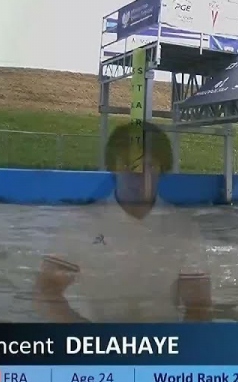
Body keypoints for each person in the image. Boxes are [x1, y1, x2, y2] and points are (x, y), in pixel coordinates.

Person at [34, 121, 213, 322]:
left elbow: (198, 307)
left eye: (149, 166)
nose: (139, 176)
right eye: (129, 165)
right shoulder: (81, 224)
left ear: (162, 171)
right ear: (113, 168)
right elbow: (45, 293)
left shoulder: (184, 229)